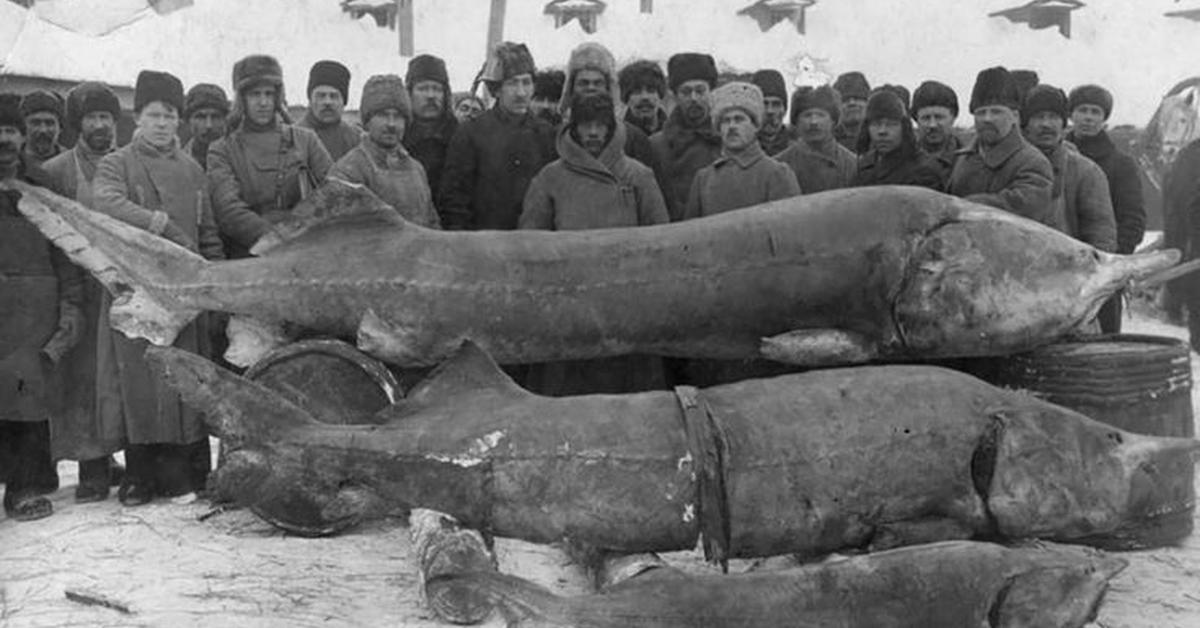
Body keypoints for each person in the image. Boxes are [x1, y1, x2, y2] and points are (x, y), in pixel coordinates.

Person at [91, 70, 225, 506]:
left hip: (184, 296)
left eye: (170, 115)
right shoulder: (117, 162)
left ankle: (189, 474)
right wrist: (160, 223)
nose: (163, 123)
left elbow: (206, 230)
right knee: (142, 386)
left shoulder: (192, 169)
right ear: (137, 117)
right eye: (154, 114)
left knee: (183, 382)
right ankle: (140, 478)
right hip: (136, 293)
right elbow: (104, 202)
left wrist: (217, 276)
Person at [518, 93, 669, 396]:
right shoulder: (551, 178)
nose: (593, 133)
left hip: (628, 310)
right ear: (573, 128)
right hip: (568, 310)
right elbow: (530, 244)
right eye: (585, 125)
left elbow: (662, 243)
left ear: (612, 128)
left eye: (600, 125)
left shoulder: (637, 176)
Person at [0, 92, 85, 521]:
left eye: (11, 130)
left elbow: (64, 253)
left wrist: (70, 308)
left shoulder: (41, 186)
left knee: (27, 401)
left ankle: (24, 487)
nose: (5, 139)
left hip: (34, 313)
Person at [40, 82, 124, 503]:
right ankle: (91, 465)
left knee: (115, 377)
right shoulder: (57, 170)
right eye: (91, 118)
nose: (100, 126)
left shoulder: (125, 165)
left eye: (106, 117)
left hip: (119, 288)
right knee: (81, 379)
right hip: (76, 286)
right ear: (78, 123)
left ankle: (112, 454)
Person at [209, 54, 333, 258]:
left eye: (269, 93)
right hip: (248, 257)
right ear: (242, 99)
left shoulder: (305, 140)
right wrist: (277, 240)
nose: (264, 102)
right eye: (255, 94)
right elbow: (228, 211)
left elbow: (334, 193)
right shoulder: (223, 149)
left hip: (304, 251)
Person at [438, 42, 556, 230]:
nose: (521, 92)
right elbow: (454, 200)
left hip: (535, 246)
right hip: (485, 249)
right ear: (496, 89)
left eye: (526, 82)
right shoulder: (471, 133)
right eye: (512, 83)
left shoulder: (547, 135)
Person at [1066, 84, 1145, 334]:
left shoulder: (1121, 164)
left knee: (1103, 342)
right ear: (1071, 115)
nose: (1088, 117)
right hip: (1061, 268)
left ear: (1104, 118)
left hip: (1102, 272)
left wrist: (1111, 263)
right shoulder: (1054, 157)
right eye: (1082, 110)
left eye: (1095, 112)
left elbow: (1133, 219)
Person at [946, 66, 1054, 224]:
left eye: (996, 112)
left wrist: (962, 206)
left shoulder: (1033, 162)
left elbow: (1023, 208)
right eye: (981, 112)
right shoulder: (963, 158)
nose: (987, 119)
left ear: (1014, 117)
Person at [329, 75, 440, 228]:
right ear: (367, 121)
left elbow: (432, 224)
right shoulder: (348, 171)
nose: (391, 124)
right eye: (383, 115)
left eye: (398, 116)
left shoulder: (417, 169)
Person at [1020, 84, 1116, 254]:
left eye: (1053, 117)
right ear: (1025, 124)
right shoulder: (1011, 166)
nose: (1046, 124)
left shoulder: (1087, 172)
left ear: (1064, 123)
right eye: (1039, 117)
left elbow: (1101, 235)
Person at [684, 82, 799, 220]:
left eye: (739, 119)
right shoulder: (703, 179)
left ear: (755, 126)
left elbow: (789, 228)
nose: (732, 126)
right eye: (726, 121)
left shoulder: (776, 174)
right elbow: (692, 234)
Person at [557, 43, 657, 170]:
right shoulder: (558, 137)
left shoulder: (633, 139)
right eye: (584, 83)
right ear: (571, 88)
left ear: (609, 88)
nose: (591, 88)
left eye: (597, 83)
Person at [649, 52, 722, 221]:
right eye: (686, 92)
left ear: (711, 92)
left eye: (700, 91)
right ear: (675, 96)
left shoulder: (725, 140)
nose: (694, 98)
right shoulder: (657, 145)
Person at [851, 88, 944, 189]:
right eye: (876, 124)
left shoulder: (924, 171)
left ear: (904, 128)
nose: (882, 131)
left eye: (891, 124)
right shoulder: (864, 166)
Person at [775, 85, 857, 194]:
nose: (814, 122)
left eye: (820, 115)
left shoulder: (852, 165)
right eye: (807, 115)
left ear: (833, 120)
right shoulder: (779, 165)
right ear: (796, 121)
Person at [403, 54, 458, 204]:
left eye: (437, 89)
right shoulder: (397, 136)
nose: (431, 96)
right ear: (409, 93)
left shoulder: (460, 137)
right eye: (423, 88)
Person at [295, 60, 361, 161]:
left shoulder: (357, 139)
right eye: (321, 96)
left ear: (344, 102)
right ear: (310, 100)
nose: (327, 102)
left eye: (334, 96)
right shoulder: (292, 137)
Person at [911, 80, 961, 180]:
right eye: (926, 118)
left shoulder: (968, 161)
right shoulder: (903, 161)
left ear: (953, 117)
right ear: (916, 120)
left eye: (939, 117)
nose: (932, 125)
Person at [182, 83, 229, 170]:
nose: (209, 125)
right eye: (201, 117)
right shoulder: (178, 164)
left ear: (225, 120)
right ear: (188, 121)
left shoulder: (239, 160)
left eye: (215, 117)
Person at [618, 60, 667, 137]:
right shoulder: (618, 136)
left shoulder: (676, 133)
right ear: (626, 98)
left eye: (651, 90)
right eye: (637, 92)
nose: (645, 97)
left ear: (660, 95)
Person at [19, 90, 66, 167]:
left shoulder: (75, 165)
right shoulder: (7, 163)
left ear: (60, 128)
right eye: (35, 123)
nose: (43, 130)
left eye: (49, 123)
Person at [751, 69, 793, 156]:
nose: (770, 111)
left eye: (776, 104)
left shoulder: (797, 151)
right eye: (764, 104)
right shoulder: (740, 148)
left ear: (784, 110)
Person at [832, 71, 870, 153]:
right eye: (845, 100)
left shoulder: (883, 140)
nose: (852, 103)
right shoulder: (825, 144)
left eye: (857, 98)